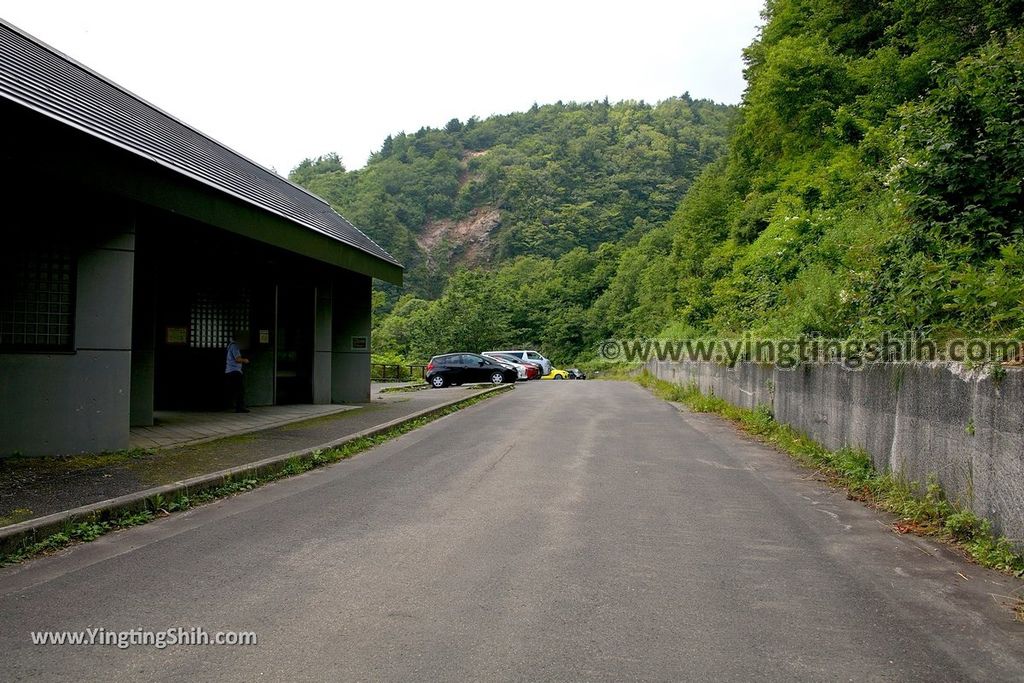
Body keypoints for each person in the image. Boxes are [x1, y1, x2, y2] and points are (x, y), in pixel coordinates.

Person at [225, 334, 250, 413]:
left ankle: (237, 406)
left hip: (230, 371)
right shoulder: (235, 346)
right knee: (240, 390)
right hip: (235, 371)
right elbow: (237, 359)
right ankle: (240, 407)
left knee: (235, 390)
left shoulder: (230, 346)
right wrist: (245, 360)